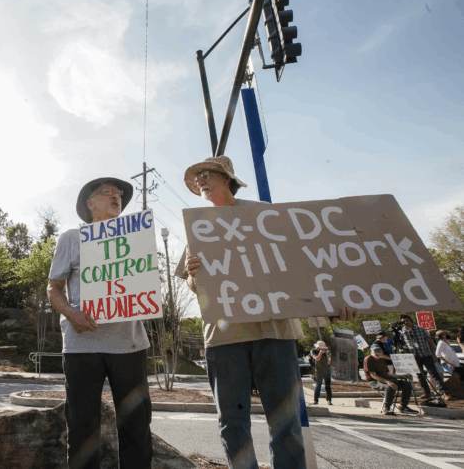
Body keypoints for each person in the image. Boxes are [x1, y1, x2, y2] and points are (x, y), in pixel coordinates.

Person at [174, 156, 361, 469]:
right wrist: (194, 274)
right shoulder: (199, 225)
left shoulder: (263, 214)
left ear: (227, 178)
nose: (200, 181)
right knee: (232, 421)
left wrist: (331, 304)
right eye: (196, 179)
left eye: (206, 175)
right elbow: (196, 285)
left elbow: (302, 265)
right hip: (223, 336)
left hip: (275, 331)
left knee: (285, 420)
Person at [47, 177, 152, 469]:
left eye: (119, 193)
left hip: (129, 344)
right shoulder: (71, 238)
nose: (116, 195)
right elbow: (53, 289)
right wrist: (71, 313)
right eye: (107, 192)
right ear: (90, 204)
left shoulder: (135, 238)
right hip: (82, 345)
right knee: (82, 429)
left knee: (137, 428)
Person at [398, 314, 446, 399]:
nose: (405, 323)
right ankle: (426, 392)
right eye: (403, 322)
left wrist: (433, 354)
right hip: (414, 357)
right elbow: (402, 345)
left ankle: (444, 392)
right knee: (420, 375)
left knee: (434, 373)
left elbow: (430, 341)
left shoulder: (420, 329)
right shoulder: (402, 332)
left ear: (411, 321)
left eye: (407, 321)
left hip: (425, 354)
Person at [364, 342, 417, 415]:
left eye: (379, 351)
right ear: (371, 351)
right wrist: (388, 382)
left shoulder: (381, 359)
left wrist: (401, 376)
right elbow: (373, 375)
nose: (377, 353)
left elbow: (388, 374)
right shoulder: (368, 359)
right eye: (375, 350)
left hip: (386, 379)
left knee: (407, 384)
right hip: (375, 381)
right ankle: (387, 407)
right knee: (390, 386)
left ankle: (403, 406)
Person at [310, 340, 332, 406]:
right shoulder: (313, 351)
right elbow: (317, 359)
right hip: (318, 370)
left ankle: (329, 400)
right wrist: (320, 353)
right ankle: (315, 400)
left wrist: (327, 356)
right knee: (318, 385)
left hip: (327, 370)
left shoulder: (326, 352)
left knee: (328, 385)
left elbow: (328, 362)